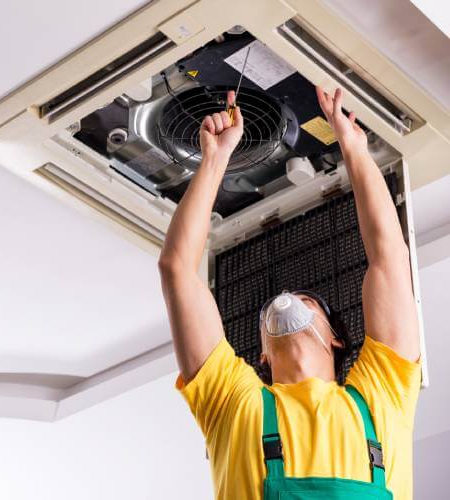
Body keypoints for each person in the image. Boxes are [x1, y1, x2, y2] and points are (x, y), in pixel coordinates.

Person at [158, 87, 422, 499]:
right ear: (261, 355)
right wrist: (216, 157)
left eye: (309, 302)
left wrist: (358, 154)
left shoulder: (380, 395)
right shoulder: (234, 401)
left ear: (336, 338)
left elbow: (388, 259)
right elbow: (176, 269)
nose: (288, 299)